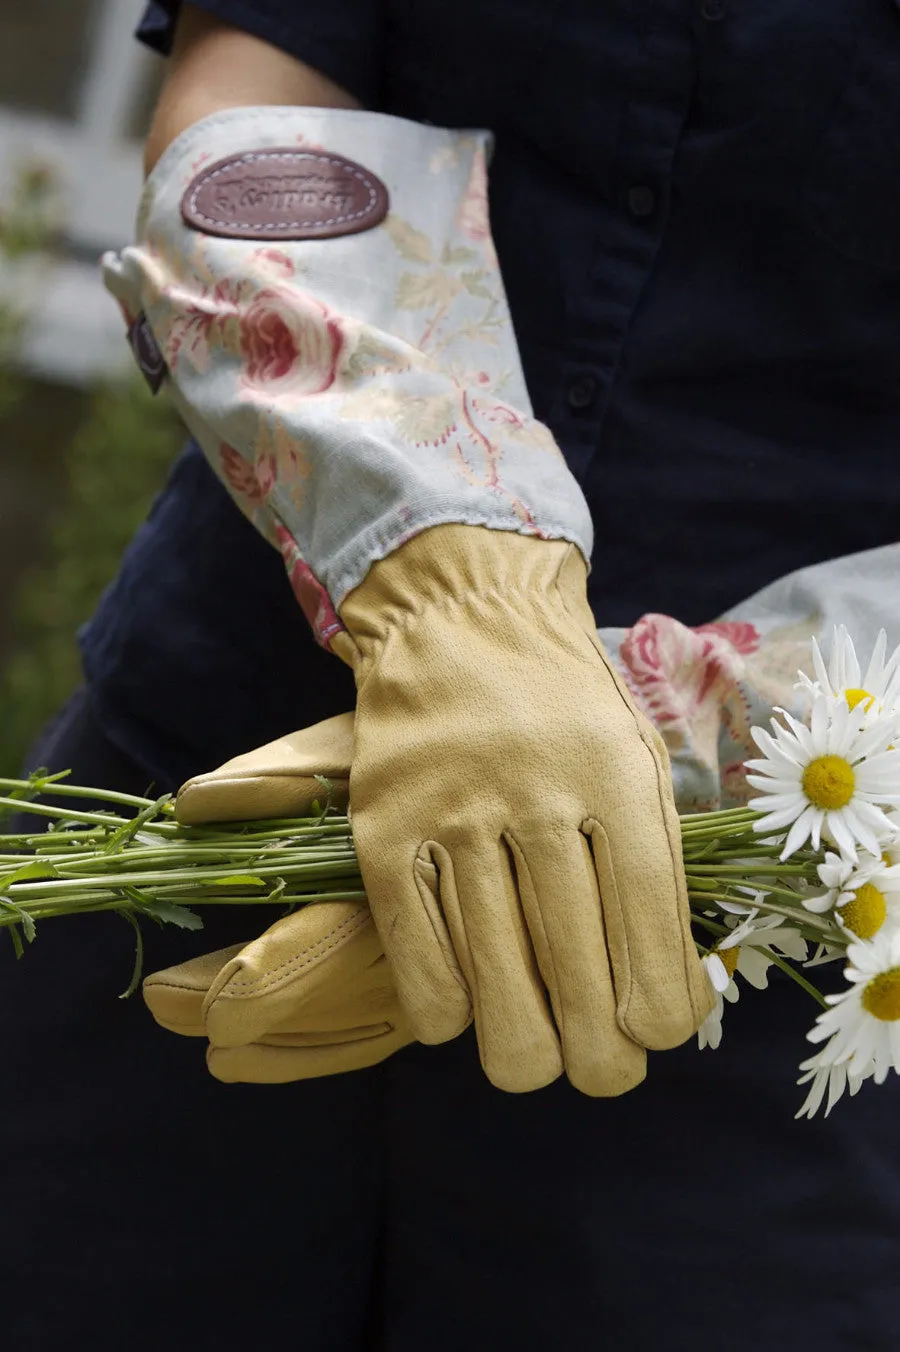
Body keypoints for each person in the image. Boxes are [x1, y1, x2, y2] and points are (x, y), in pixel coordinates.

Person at [5, 2, 900, 1346]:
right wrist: (452, 585)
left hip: (749, 979)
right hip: (210, 816)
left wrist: (675, 738)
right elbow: (249, 107)